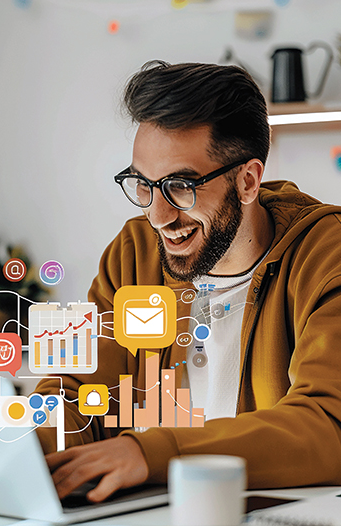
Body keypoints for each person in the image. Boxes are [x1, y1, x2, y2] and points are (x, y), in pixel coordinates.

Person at [35, 60, 341, 503]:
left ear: (248, 180)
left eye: (181, 185)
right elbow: (76, 392)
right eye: (144, 184)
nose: (158, 217)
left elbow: (328, 424)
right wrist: (24, 453)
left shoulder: (325, 253)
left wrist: (149, 453)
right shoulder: (132, 252)